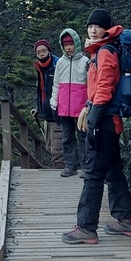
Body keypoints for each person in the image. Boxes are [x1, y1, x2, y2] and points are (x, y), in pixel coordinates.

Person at [61, 8, 131, 244]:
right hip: (110, 120)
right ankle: (126, 219)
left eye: (98, 26)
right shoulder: (105, 50)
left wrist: (94, 116)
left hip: (103, 119)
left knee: (93, 174)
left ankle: (86, 227)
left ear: (106, 28)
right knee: (113, 171)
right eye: (90, 26)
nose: (93, 29)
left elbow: (104, 87)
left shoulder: (105, 52)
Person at [50, 28, 89, 177]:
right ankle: (70, 166)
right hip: (64, 107)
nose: (68, 47)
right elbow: (56, 84)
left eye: (71, 44)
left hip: (81, 108)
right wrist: (54, 102)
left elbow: (90, 84)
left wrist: (88, 104)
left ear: (76, 44)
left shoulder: (85, 61)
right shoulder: (60, 62)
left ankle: (85, 167)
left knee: (83, 137)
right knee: (67, 137)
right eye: (65, 44)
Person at [33, 38, 63, 169]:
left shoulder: (58, 65)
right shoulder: (39, 68)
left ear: (49, 50)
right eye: (38, 51)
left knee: (58, 148)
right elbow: (42, 91)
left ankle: (61, 177)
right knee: (50, 145)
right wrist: (39, 109)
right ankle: (60, 170)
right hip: (46, 113)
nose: (41, 53)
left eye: (43, 50)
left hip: (58, 112)